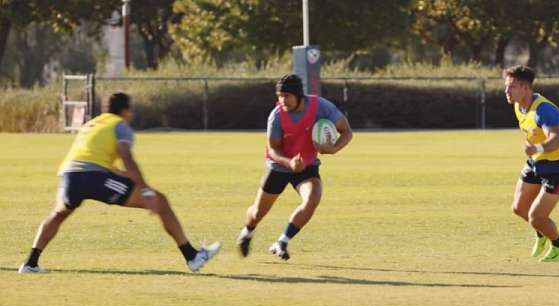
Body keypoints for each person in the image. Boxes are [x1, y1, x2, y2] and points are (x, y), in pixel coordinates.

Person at [18, 92, 221, 273]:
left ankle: (30, 262)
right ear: (125, 111)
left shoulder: (92, 124)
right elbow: (127, 157)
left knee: (59, 213)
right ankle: (192, 257)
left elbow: (91, 157)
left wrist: (121, 174)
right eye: (130, 109)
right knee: (161, 202)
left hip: (69, 174)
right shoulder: (120, 126)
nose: (131, 114)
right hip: (93, 177)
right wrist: (146, 190)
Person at [236, 74, 353, 260]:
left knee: (313, 197)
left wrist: (333, 149)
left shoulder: (321, 107)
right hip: (279, 166)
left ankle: (282, 241)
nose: (282, 100)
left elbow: (346, 131)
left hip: (307, 166)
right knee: (258, 212)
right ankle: (247, 231)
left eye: (286, 96)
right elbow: (273, 150)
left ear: (299, 96)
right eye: (279, 96)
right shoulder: (276, 116)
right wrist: (289, 162)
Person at [504, 65, 559, 262]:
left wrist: (536, 149)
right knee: (519, 208)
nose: (506, 91)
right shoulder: (519, 106)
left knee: (537, 217)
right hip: (536, 163)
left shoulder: (544, 110)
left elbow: (556, 140)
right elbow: (531, 132)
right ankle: (542, 232)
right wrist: (533, 149)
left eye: (511, 87)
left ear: (525, 88)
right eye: (506, 86)